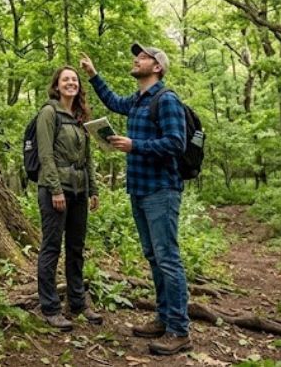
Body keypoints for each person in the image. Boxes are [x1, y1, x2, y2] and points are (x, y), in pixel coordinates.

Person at [80, 45, 191, 356]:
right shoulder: (139, 100)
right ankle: (163, 318)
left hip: (161, 190)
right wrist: (94, 75)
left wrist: (134, 145)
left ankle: (179, 330)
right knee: (154, 257)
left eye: (143, 57)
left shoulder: (166, 99)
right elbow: (114, 102)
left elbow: (176, 143)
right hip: (139, 190)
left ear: (157, 67)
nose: (136, 59)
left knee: (167, 259)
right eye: (137, 56)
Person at [35, 66, 101, 330]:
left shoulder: (80, 117)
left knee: (76, 248)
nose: (71, 83)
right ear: (57, 85)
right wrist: (55, 190)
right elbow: (45, 155)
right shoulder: (49, 113)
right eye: (66, 79)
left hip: (79, 191)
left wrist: (93, 190)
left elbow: (88, 158)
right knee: (52, 247)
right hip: (55, 190)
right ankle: (50, 308)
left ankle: (77, 303)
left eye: (74, 79)